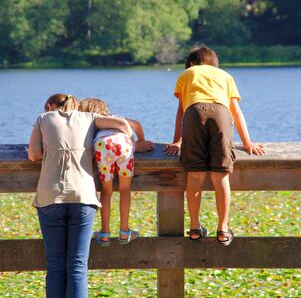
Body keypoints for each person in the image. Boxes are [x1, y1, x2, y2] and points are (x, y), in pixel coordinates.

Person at [28, 93, 133, 298]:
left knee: (55, 268)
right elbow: (121, 124)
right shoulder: (89, 118)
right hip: (83, 196)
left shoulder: (43, 118)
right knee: (77, 267)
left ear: (51, 107)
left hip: (50, 196)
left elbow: (32, 155)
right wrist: (130, 138)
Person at [165, 46, 265, 246]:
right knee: (221, 176)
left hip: (194, 113)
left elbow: (181, 112)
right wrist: (247, 143)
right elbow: (236, 112)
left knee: (195, 176)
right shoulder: (225, 75)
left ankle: (194, 228)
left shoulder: (187, 73)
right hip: (221, 112)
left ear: (192, 63)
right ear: (213, 63)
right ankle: (223, 229)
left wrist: (178, 141)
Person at [79, 97, 153, 246]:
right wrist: (139, 142)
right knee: (125, 189)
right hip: (124, 145)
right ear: (105, 109)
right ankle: (124, 232)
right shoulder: (116, 118)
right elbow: (137, 125)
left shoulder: (89, 123)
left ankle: (105, 233)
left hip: (103, 145)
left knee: (106, 190)